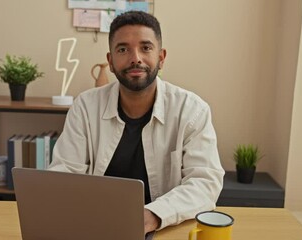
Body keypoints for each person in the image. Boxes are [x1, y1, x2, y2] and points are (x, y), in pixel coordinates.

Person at [48, 11, 224, 234]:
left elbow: (205, 183)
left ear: (161, 57)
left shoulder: (192, 110)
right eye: (123, 49)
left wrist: (153, 215)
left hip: (163, 228)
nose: (135, 58)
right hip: (95, 226)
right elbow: (63, 176)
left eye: (146, 48)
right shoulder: (85, 106)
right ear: (110, 62)